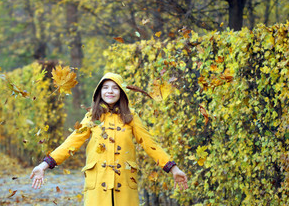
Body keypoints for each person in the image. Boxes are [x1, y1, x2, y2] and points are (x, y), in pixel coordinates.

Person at [30, 72, 188, 206]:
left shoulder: (131, 117)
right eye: (105, 88)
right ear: (99, 92)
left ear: (121, 92)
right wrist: (44, 165)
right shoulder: (92, 117)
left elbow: (150, 145)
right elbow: (71, 143)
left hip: (125, 185)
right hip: (97, 185)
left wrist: (173, 168)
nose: (110, 91)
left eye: (114, 88)